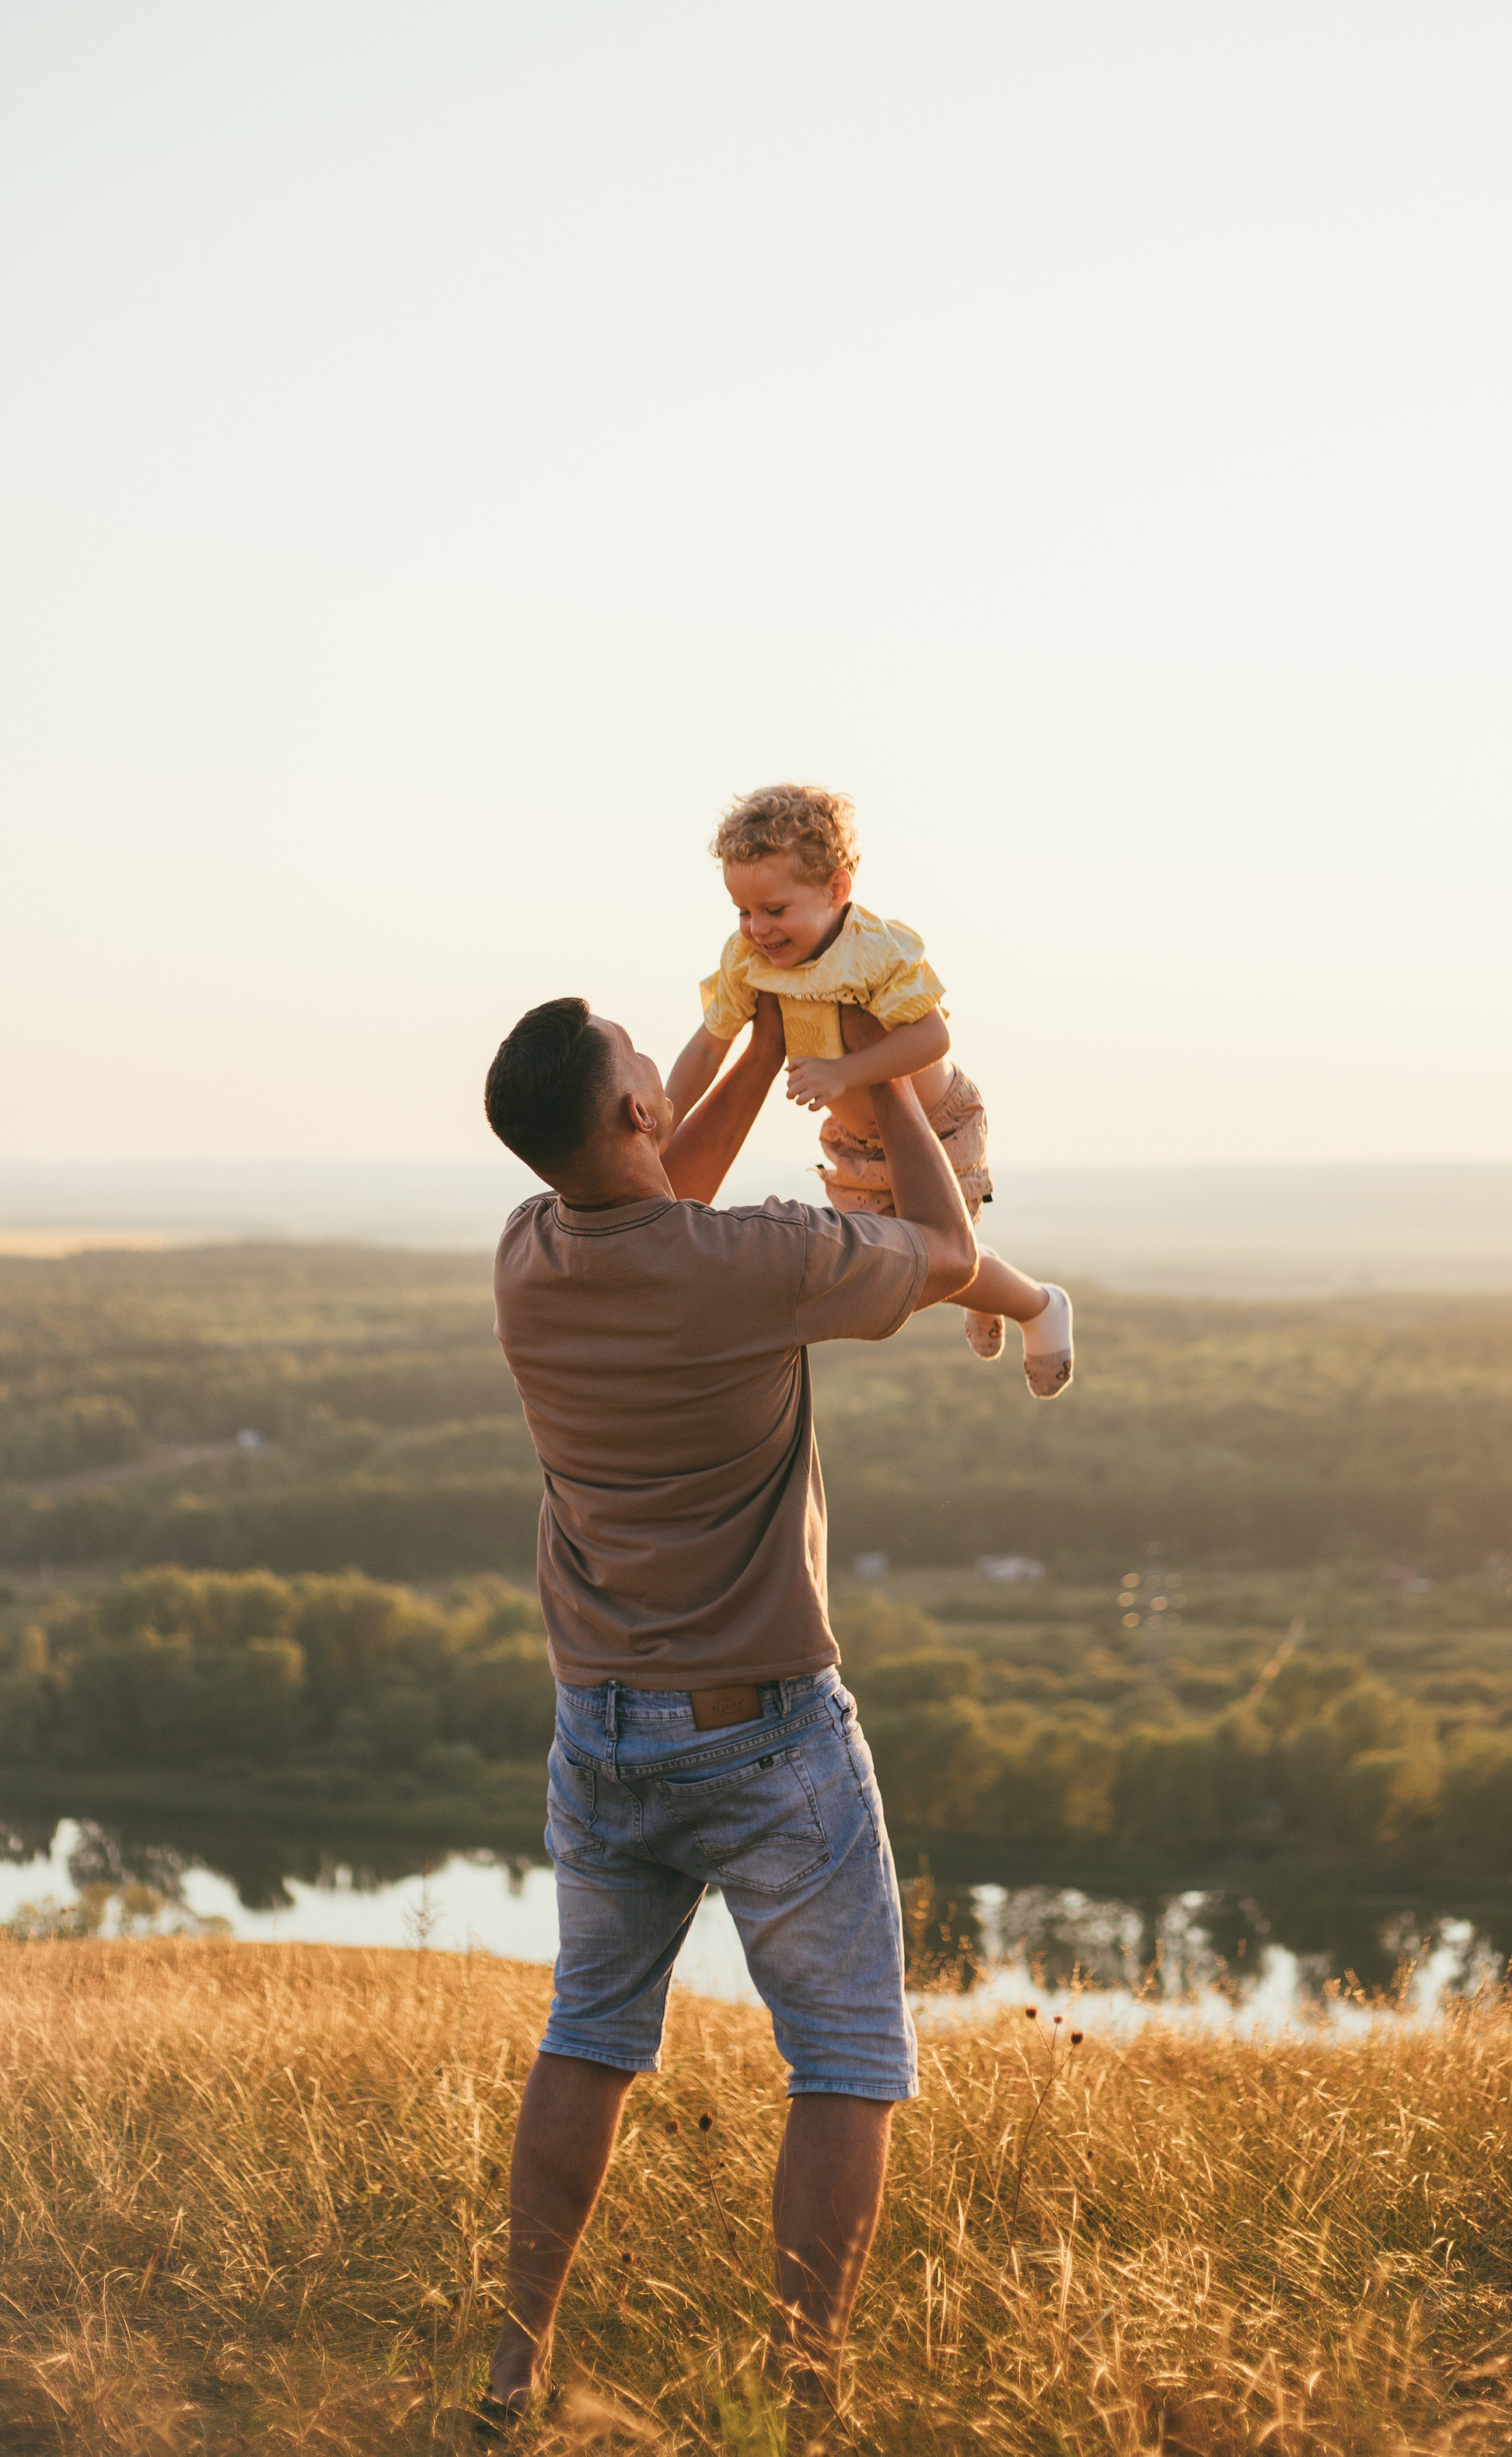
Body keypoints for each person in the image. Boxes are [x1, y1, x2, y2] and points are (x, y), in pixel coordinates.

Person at [473, 984, 979, 2437]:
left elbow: (658, 1195)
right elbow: (947, 1253)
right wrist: (882, 1077)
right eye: (650, 1063)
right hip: (766, 1736)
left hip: (600, 1734)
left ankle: (516, 2373)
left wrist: (765, 1039)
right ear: (638, 1110)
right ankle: (803, 2402)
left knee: (590, 2036)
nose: (660, 1066)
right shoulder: (749, 1265)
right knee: (847, 2064)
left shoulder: (526, 1257)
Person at [665, 781, 1074, 1396]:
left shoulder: (872, 954)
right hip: (857, 1138)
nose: (757, 929)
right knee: (891, 1272)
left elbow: (932, 1038)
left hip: (936, 1123)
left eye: (776, 910)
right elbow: (707, 1046)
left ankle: (1040, 1306)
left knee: (935, 1262)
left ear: (836, 889)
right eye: (743, 912)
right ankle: (982, 1288)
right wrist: (665, 1119)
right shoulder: (748, 961)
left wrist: (845, 1073)